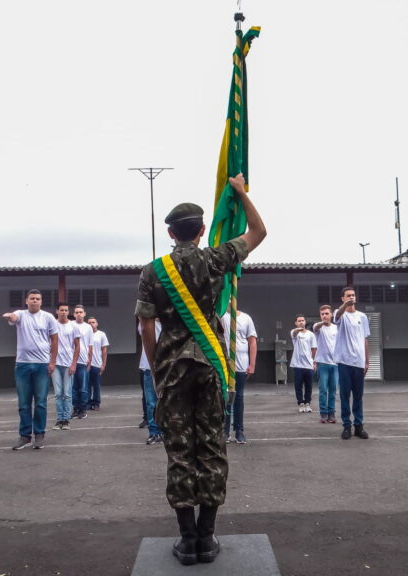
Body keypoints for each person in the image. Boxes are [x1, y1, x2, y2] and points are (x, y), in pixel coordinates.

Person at [136, 172, 266, 566]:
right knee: (211, 448)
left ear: (172, 234)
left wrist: (159, 368)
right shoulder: (215, 258)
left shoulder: (153, 271)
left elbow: (145, 325)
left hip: (173, 367)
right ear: (201, 231)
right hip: (210, 364)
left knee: (179, 451)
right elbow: (259, 232)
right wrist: (241, 193)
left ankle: (187, 541)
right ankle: (207, 540)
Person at [3, 289, 59, 450]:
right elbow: (13, 318)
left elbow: (55, 340)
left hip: (42, 364)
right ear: (26, 301)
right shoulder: (20, 314)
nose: (35, 301)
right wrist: (11, 317)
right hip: (23, 365)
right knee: (24, 403)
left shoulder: (48, 317)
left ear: (41, 302)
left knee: (40, 402)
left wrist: (52, 361)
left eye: (38, 299)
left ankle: (39, 435)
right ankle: (25, 436)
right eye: (32, 298)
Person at [333, 287, 370, 440]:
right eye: (348, 296)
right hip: (344, 361)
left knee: (358, 396)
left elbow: (365, 339)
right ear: (342, 298)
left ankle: (359, 426)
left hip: (359, 362)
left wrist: (367, 361)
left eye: (353, 295)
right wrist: (345, 305)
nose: (351, 297)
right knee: (345, 395)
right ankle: (346, 426)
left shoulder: (363, 316)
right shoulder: (339, 314)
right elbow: (337, 315)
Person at [220, 307, 257, 444]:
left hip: (241, 365)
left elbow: (252, 341)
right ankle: (224, 431)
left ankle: (239, 430)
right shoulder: (220, 316)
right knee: (225, 398)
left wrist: (252, 364)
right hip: (224, 364)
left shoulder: (246, 318)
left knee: (239, 397)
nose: (229, 301)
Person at [52, 302, 80, 430]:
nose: (64, 312)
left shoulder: (73, 326)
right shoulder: (52, 325)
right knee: (58, 393)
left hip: (68, 364)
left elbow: (77, 346)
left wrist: (74, 364)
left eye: (66, 310)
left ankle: (66, 420)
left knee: (67, 393)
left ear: (68, 312)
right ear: (57, 311)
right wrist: (50, 362)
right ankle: (59, 419)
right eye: (61, 310)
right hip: (55, 364)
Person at [138, 318, 163, 445]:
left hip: (165, 367)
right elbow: (142, 327)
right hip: (148, 368)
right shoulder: (146, 323)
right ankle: (153, 432)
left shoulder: (168, 323)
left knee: (164, 401)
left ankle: (163, 432)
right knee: (151, 403)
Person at [313, 304, 339, 423]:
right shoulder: (318, 327)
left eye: (327, 313)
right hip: (322, 363)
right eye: (322, 314)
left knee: (333, 390)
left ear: (331, 314)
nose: (324, 316)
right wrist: (323, 322)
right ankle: (323, 414)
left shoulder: (336, 328)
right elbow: (316, 327)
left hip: (335, 364)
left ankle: (331, 414)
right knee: (323, 390)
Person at [290, 315, 317, 413]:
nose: (301, 322)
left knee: (309, 386)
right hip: (297, 365)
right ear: (296, 323)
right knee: (298, 386)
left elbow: (314, 349)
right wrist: (298, 329)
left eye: (302, 320)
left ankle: (308, 403)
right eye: (299, 321)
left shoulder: (311, 335)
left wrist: (314, 362)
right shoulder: (294, 333)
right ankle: (300, 403)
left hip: (308, 365)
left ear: (305, 322)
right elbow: (294, 333)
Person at [72, 304, 93, 419]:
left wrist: (89, 360)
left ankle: (83, 409)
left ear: (84, 314)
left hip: (83, 361)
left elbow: (90, 345)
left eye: (81, 312)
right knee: (73, 388)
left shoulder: (88, 327)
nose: (79, 314)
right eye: (77, 312)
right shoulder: (71, 325)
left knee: (83, 387)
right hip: (71, 361)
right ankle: (76, 409)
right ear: (74, 314)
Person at [87, 316, 109, 411]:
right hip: (86, 364)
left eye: (93, 322)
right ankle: (87, 403)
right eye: (89, 322)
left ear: (97, 323)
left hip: (97, 364)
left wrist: (103, 364)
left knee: (96, 386)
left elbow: (104, 350)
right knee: (86, 386)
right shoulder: (85, 334)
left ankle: (96, 403)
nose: (91, 324)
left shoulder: (101, 334)